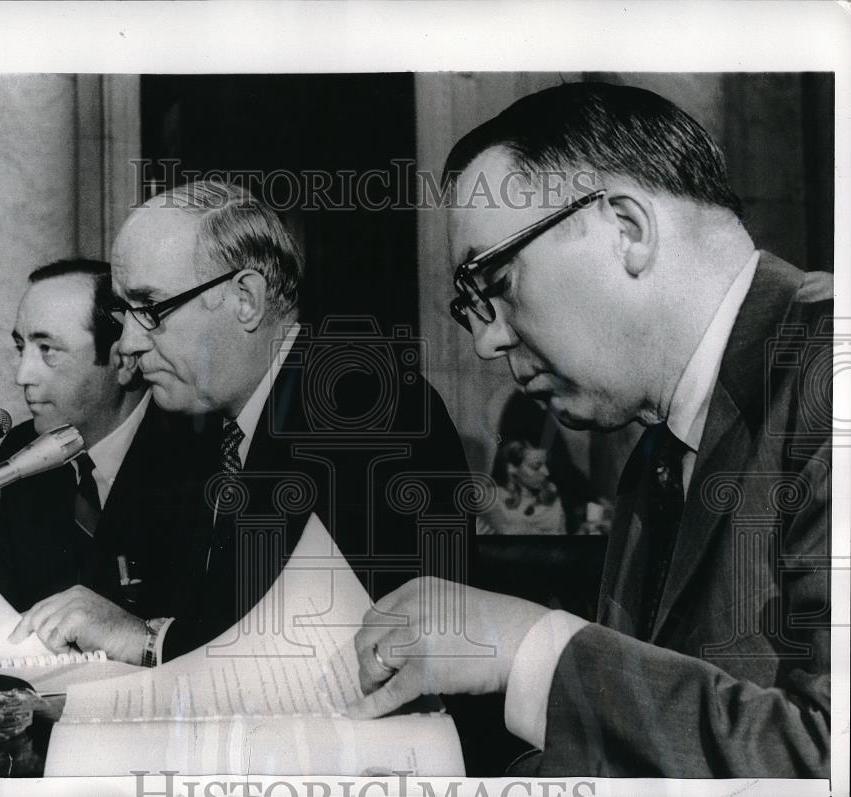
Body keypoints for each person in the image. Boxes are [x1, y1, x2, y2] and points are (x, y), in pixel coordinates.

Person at [349, 82, 831, 778]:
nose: (485, 343)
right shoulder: (659, 454)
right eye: (469, 307)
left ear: (627, 229)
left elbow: (825, 758)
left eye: (498, 280)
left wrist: (529, 647)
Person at [11, 181, 476, 666]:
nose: (127, 343)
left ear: (246, 299)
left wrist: (151, 642)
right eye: (123, 313)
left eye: (149, 309)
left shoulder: (366, 407)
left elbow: (341, 650)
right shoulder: (203, 429)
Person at [0, 259, 217, 665]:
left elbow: (211, 635)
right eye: (21, 347)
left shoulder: (201, 454)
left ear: (123, 361)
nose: (22, 374)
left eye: (47, 349)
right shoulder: (20, 451)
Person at [480, 438, 565, 535]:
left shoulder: (553, 499)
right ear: (512, 468)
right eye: (536, 467)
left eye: (546, 465)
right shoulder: (493, 499)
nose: (546, 472)